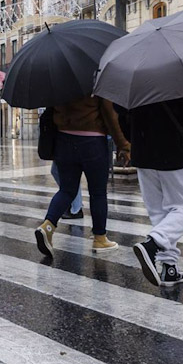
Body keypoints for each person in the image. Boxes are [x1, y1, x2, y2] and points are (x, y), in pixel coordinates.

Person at [118, 94, 183, 288]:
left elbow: (121, 116)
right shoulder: (178, 79)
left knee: (159, 214)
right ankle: (152, 244)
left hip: (143, 153)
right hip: (174, 150)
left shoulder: (133, 80)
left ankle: (169, 268)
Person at [35, 95, 129, 257]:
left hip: (63, 140)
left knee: (66, 190)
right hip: (93, 141)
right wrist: (123, 144)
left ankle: (47, 226)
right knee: (98, 192)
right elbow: (109, 113)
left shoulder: (58, 79)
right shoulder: (94, 78)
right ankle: (100, 238)